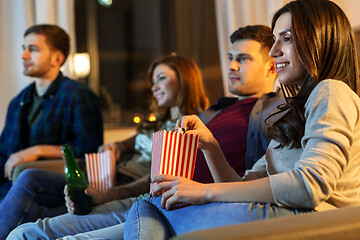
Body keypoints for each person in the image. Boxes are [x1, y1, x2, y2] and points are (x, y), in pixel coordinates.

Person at [7, 25, 281, 240]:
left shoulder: (274, 112)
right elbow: (158, 172)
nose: (231, 66)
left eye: (242, 59)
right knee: (25, 231)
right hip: (148, 198)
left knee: (29, 220)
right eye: (230, 58)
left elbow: (266, 179)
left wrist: (112, 192)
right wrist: (111, 186)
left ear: (271, 65)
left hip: (176, 205)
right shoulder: (212, 113)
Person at [123, 0, 360, 239]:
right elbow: (240, 185)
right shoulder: (295, 110)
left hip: (306, 220)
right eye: (275, 39)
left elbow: (311, 185)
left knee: (150, 207)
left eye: (286, 38)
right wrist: (211, 147)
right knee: (148, 210)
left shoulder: (331, 91)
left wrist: (205, 192)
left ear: (321, 41)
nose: (273, 50)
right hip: (284, 214)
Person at [4, 54, 209, 239]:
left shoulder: (195, 126)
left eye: (162, 78)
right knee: (31, 180)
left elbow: (161, 179)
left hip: (130, 185)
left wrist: (113, 192)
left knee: (32, 203)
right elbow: (126, 143)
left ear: (185, 80)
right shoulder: (153, 123)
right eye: (152, 81)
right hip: (111, 175)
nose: (154, 86)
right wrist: (115, 147)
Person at [0, 24, 103, 197]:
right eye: (24, 48)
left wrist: (38, 150)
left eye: (33, 49)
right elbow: (3, 152)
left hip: (51, 188)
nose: (24, 56)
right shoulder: (18, 101)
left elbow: (90, 149)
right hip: (8, 187)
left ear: (57, 58)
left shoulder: (78, 95)